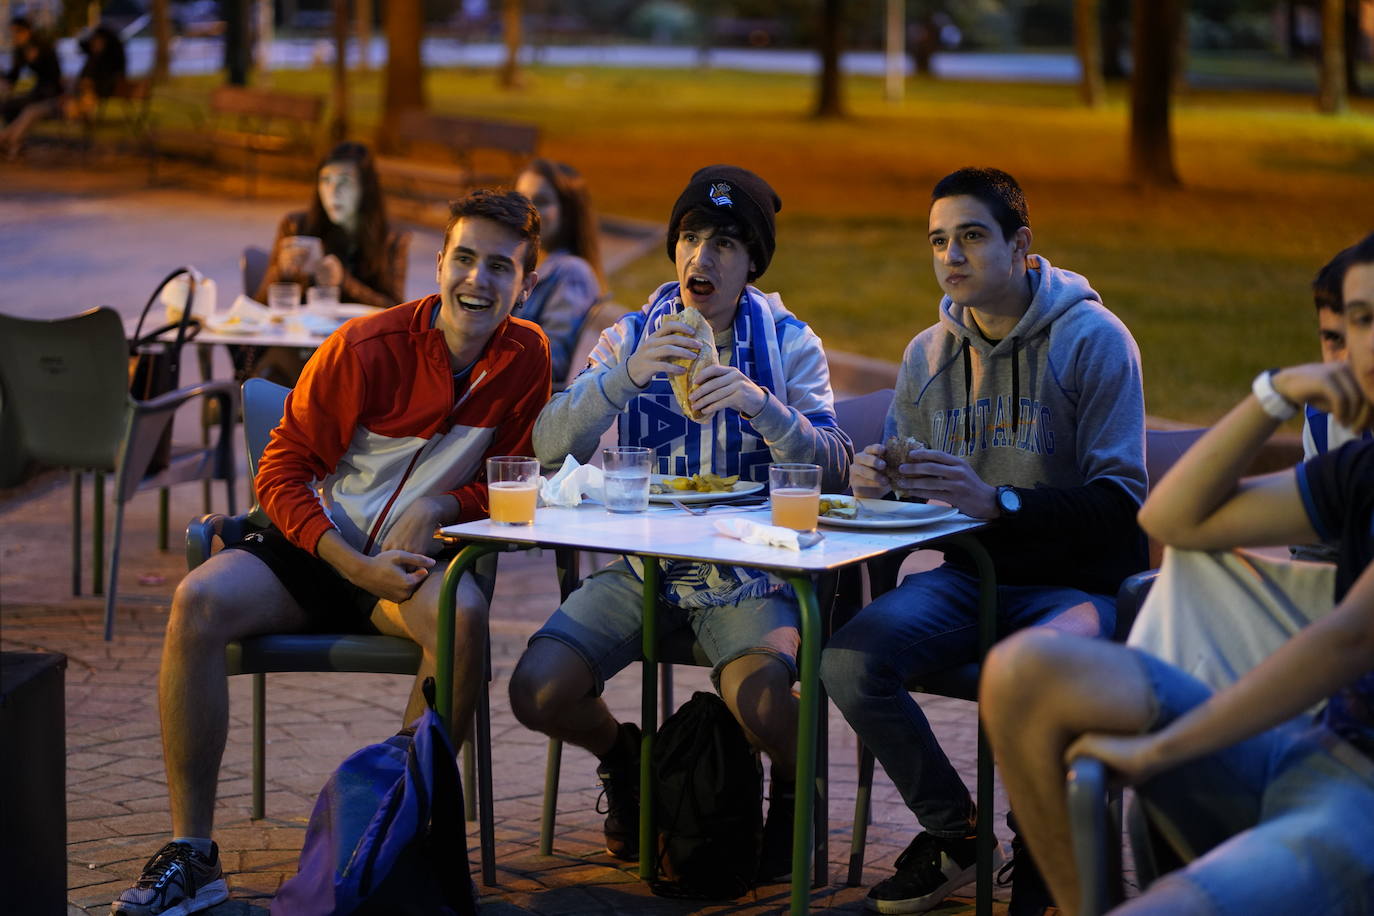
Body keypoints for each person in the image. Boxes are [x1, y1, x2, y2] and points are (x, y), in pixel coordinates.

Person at [109, 189, 552, 916]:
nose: (478, 280)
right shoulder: (366, 346)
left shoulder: (526, 358)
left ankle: (397, 843)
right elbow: (279, 470)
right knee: (196, 601)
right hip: (314, 548)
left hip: (410, 567)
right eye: (464, 258)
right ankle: (193, 855)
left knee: (464, 619)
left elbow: (521, 480)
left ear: (525, 284)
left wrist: (442, 505)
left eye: (500, 267)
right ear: (439, 264)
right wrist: (349, 560)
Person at [980, 229, 1374, 916]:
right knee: (1019, 674)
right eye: (1359, 322)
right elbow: (1171, 519)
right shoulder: (1362, 468)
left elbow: (1347, 638)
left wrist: (1162, 751)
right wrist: (1275, 395)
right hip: (1308, 752)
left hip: (1359, 800)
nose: (1361, 349)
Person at [507, 164, 853, 880]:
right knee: (536, 688)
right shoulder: (630, 334)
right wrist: (623, 377)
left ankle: (793, 795)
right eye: (691, 237)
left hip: (748, 572)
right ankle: (631, 763)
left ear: (752, 260)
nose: (703, 257)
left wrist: (764, 405)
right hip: (643, 564)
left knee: (766, 706)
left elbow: (836, 467)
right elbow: (546, 447)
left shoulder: (789, 343)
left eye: (725, 242)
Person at [819, 166, 1148, 914]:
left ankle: (1046, 845)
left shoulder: (1094, 340)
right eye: (939, 241)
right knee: (847, 661)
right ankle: (956, 834)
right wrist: (882, 480)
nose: (951, 256)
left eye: (971, 236)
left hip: (1083, 586)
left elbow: (1123, 506)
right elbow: (919, 490)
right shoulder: (927, 356)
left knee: (1033, 675)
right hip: (974, 576)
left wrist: (998, 501)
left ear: (1020, 245)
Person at [254, 141, 409, 309]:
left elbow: (395, 311)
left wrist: (343, 281)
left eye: (344, 182)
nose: (333, 191)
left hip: (360, 333)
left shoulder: (392, 237)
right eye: (326, 180)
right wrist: (281, 272)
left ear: (364, 188)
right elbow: (257, 306)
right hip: (301, 331)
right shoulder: (295, 225)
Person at [514, 158, 604, 382]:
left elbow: (553, 362)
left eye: (541, 201)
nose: (528, 210)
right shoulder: (525, 265)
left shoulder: (572, 273)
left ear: (568, 213)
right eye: (521, 199)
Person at [1, 16, 62, 159]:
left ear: (26, 32)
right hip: (38, 90)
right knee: (8, 106)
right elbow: (13, 77)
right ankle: (14, 144)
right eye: (12, 33)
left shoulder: (42, 47)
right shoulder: (20, 50)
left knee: (24, 106)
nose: (14, 36)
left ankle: (9, 141)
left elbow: (54, 75)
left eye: (17, 32)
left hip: (50, 91)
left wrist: (37, 59)